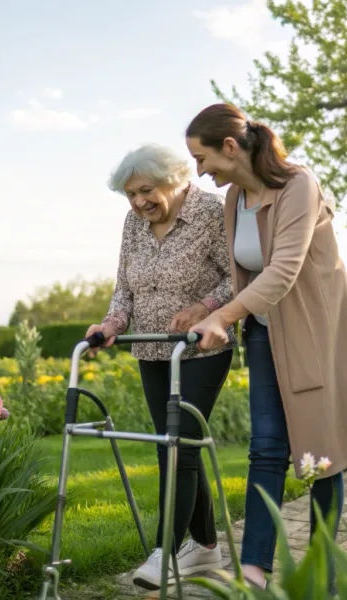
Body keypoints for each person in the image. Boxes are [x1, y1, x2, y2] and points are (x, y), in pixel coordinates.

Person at [184, 104, 347, 590]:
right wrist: (211, 310)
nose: (199, 171)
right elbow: (245, 272)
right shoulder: (234, 199)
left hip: (315, 334)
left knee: (322, 450)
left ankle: (322, 569)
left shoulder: (298, 185)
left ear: (230, 147)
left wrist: (221, 317)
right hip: (266, 333)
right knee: (266, 447)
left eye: (201, 157)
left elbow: (284, 269)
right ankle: (253, 569)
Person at [85, 143, 236, 591]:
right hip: (151, 350)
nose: (138, 202)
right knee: (172, 445)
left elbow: (239, 278)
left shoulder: (211, 212)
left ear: (174, 180)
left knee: (179, 447)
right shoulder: (133, 223)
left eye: (146, 191)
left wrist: (203, 307)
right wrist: (111, 323)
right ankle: (206, 547)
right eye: (130, 195)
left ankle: (164, 553)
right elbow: (123, 289)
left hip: (202, 348)